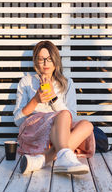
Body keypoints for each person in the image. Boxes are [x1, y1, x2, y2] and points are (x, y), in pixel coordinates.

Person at [13, 40, 95, 175]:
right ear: (35, 62)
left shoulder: (67, 83)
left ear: (56, 61)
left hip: (59, 134)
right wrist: (35, 101)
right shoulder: (26, 82)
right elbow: (17, 121)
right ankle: (64, 157)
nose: (45, 63)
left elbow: (72, 116)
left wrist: (53, 98)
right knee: (63, 115)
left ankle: (41, 160)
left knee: (87, 125)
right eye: (41, 59)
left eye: (49, 59)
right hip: (35, 130)